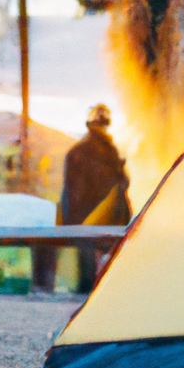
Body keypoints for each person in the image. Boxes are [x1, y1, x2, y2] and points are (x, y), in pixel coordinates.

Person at [61, 103, 131, 294]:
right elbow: (117, 183)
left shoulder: (86, 151)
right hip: (95, 213)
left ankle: (90, 289)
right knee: (94, 257)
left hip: (89, 215)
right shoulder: (98, 152)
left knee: (91, 256)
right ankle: (92, 290)